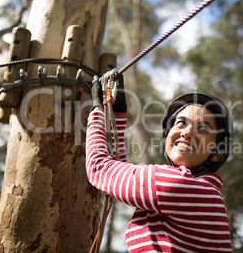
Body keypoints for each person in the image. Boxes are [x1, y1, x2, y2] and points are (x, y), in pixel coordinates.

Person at [86, 74, 233, 252]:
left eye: (202, 129)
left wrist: (96, 109)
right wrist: (117, 114)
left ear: (217, 153)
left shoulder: (181, 185)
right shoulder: (204, 194)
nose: (186, 133)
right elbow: (117, 174)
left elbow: (100, 167)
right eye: (181, 123)